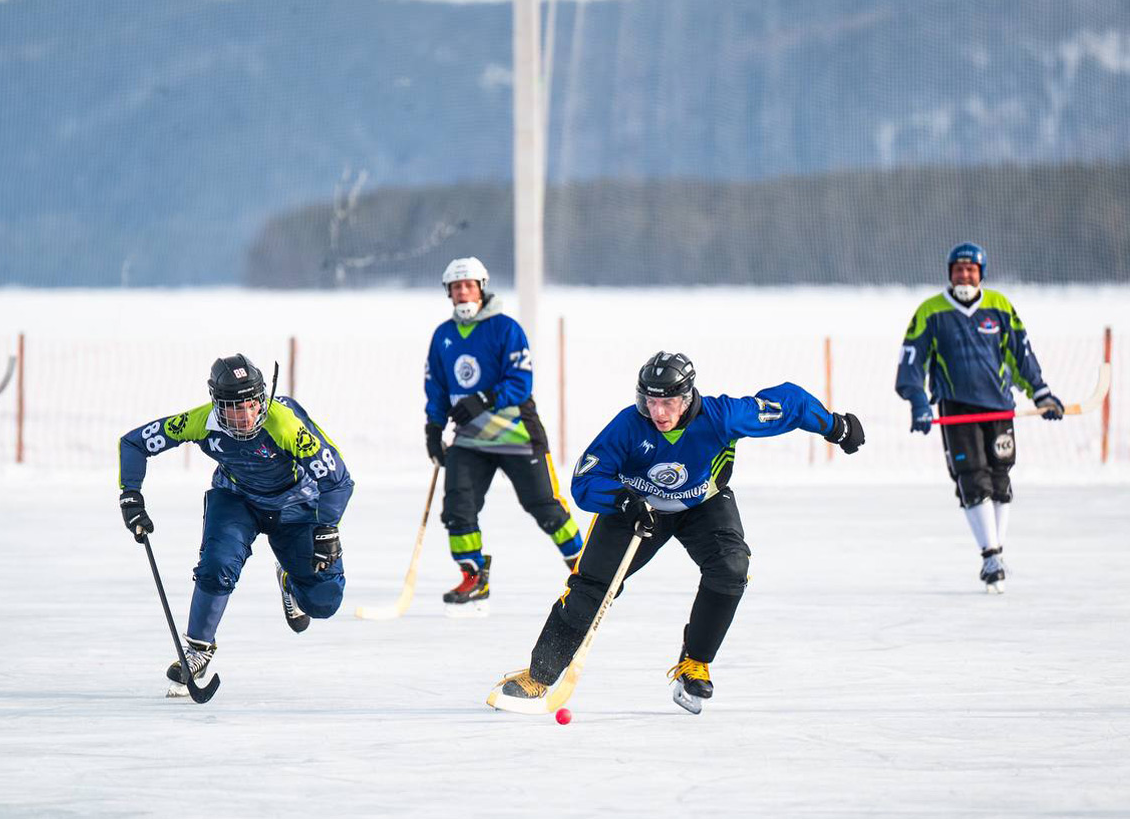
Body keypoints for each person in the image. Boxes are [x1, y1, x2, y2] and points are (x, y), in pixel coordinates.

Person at [492, 351, 865, 714]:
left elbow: (791, 403)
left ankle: (694, 665)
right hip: (635, 509)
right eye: (649, 402)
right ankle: (538, 676)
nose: (658, 412)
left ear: (686, 398)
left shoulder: (723, 416)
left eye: (668, 402)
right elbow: (584, 481)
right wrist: (623, 500)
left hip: (703, 505)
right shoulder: (627, 426)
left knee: (732, 568)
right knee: (591, 589)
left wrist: (835, 426)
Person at [117, 354, 352, 696]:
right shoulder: (201, 421)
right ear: (216, 405)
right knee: (217, 565)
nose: (244, 417)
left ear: (263, 398)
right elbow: (134, 442)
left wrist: (328, 527)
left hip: (296, 507)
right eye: (233, 408)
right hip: (237, 499)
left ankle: (289, 581)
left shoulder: (285, 425)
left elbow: (339, 481)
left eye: (252, 405)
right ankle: (198, 649)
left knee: (325, 602)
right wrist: (131, 495)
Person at [895, 242, 1063, 593]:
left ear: (981, 273)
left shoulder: (1000, 307)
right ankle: (990, 555)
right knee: (973, 480)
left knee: (1000, 479)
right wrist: (918, 402)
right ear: (950, 273)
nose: (964, 275)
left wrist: (1041, 392)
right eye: (958, 269)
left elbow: (1022, 355)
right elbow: (911, 364)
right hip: (956, 409)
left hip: (999, 406)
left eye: (971, 270)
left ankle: (997, 553)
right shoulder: (931, 311)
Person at [424, 256, 582, 611]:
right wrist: (433, 428)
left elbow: (520, 382)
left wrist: (483, 400)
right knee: (458, 509)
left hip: (517, 436)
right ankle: (474, 576)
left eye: (469, 286)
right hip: (469, 440)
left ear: (481, 288)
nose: (463, 293)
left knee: (545, 508)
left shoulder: (506, 328)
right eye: (456, 287)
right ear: (449, 293)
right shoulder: (443, 335)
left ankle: (584, 569)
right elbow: (435, 386)